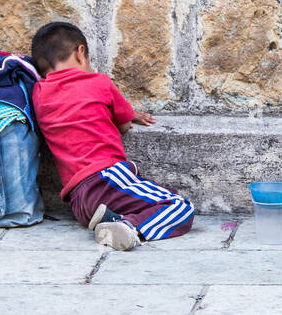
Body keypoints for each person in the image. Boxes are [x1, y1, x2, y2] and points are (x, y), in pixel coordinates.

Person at [30, 21, 195, 251]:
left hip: (79, 201)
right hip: (106, 177)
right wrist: (132, 114)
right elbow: (125, 123)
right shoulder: (98, 82)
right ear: (81, 53)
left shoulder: (38, 93)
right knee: (179, 206)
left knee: (154, 196)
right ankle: (129, 228)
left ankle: (110, 220)